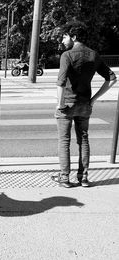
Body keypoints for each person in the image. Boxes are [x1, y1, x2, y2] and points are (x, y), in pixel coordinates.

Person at [52, 21, 117, 188]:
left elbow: (60, 82)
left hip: (67, 103)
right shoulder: (93, 55)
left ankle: (65, 178)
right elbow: (111, 78)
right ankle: (84, 177)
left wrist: (60, 104)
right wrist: (94, 99)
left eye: (65, 36)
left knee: (64, 141)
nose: (62, 40)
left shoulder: (67, 55)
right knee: (84, 140)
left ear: (73, 37)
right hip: (85, 104)